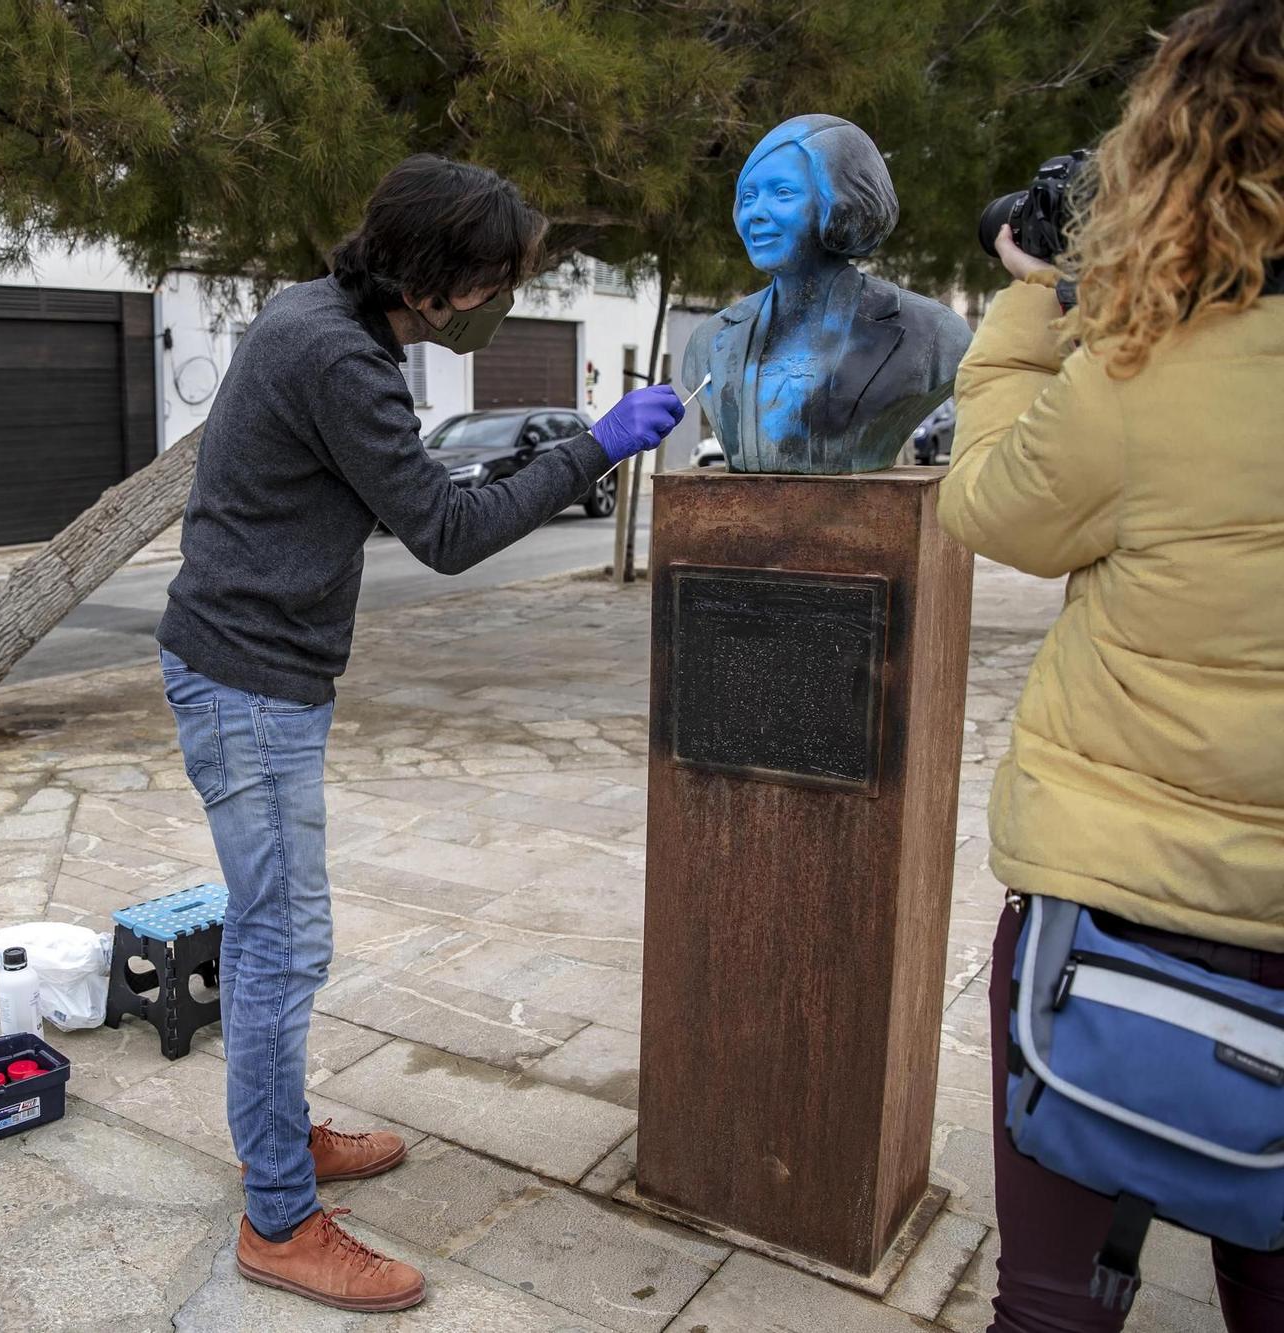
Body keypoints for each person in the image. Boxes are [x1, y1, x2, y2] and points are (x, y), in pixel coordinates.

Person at [155, 155, 684, 1312]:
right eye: (494, 281)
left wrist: (546, 455)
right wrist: (591, 448)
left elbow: (407, 484)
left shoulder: (320, 316)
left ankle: (279, 1136)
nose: (501, 302)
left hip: (246, 668)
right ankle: (278, 1219)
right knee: (279, 944)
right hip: (247, 683)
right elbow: (442, 532)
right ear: (439, 281)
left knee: (269, 933)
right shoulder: (339, 352)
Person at [936, 2, 1284, 1328]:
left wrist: (1047, 298)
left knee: (1056, 1299)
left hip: (1116, 911)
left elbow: (990, 500)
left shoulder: (1144, 374)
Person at [682, 113, 972, 474]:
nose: (755, 213)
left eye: (782, 193)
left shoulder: (936, 336)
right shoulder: (711, 342)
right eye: (748, 196)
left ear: (842, 202)